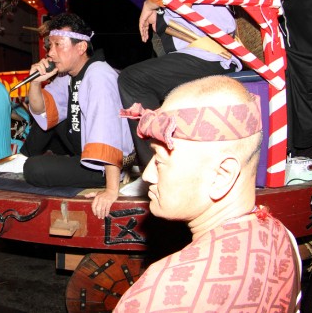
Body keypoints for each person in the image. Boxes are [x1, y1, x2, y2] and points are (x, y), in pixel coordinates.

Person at [114, 76, 301, 312]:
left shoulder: (163, 294)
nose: (148, 175)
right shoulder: (282, 238)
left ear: (222, 175)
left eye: (159, 161)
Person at [118, 0, 242, 170]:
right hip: (205, 56)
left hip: (209, 57)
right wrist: (158, 16)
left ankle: (155, 166)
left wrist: (148, 5)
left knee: (132, 80)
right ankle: (178, 163)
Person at [22, 13, 134, 219]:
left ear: (81, 47)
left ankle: (112, 178)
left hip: (105, 163)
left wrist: (111, 190)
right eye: (50, 46)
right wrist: (35, 83)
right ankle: (22, 158)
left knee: (34, 169)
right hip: (82, 151)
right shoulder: (68, 76)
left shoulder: (99, 74)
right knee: (46, 116)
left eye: (58, 45)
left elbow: (108, 129)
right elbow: (42, 110)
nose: (50, 53)